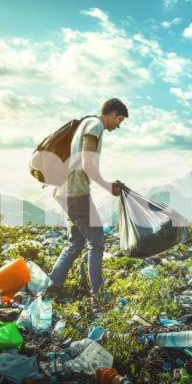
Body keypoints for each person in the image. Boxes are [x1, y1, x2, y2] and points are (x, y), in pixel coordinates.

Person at [45, 98, 128, 303]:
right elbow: (87, 164)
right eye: (119, 119)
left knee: (76, 242)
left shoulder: (86, 123)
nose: (119, 125)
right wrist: (108, 186)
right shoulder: (94, 125)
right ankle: (98, 293)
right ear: (112, 114)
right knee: (97, 240)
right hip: (76, 191)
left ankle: (52, 285)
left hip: (64, 190)